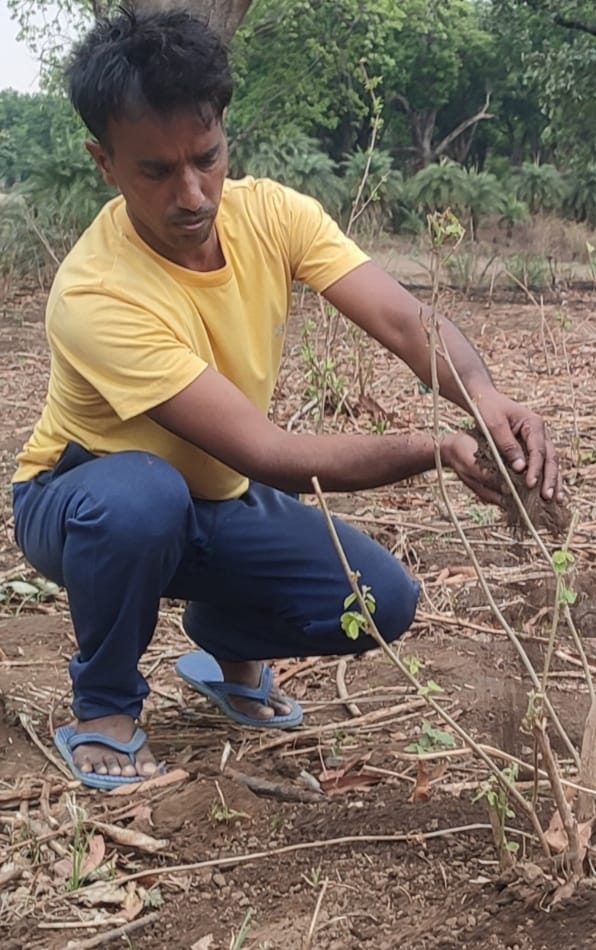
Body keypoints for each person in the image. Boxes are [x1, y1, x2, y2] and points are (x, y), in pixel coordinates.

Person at [11, 9, 562, 790]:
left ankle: (222, 641)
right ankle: (104, 707)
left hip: (214, 495)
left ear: (225, 133)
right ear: (103, 162)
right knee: (143, 498)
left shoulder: (273, 213)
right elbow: (269, 452)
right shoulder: (96, 291)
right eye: (156, 172)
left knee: (383, 600)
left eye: (206, 159)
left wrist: (484, 397)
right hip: (80, 495)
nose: (193, 193)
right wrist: (435, 448)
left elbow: (406, 320)